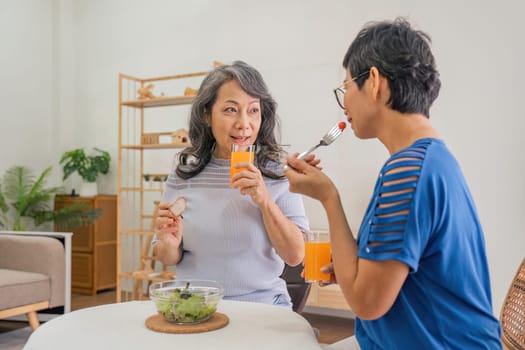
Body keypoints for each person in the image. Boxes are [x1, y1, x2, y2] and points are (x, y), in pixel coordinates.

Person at [284, 18, 502, 349]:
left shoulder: (406, 171)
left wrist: (327, 196)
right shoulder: (433, 159)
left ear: (373, 81)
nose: (345, 104)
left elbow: (366, 304)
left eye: (346, 88)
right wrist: (348, 268)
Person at [153, 61, 309, 308]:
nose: (244, 124)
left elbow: (295, 256)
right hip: (195, 306)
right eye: (230, 110)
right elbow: (166, 256)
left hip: (262, 307)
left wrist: (264, 199)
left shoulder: (278, 173)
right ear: (207, 115)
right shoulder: (184, 175)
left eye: (253, 110)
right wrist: (169, 243)